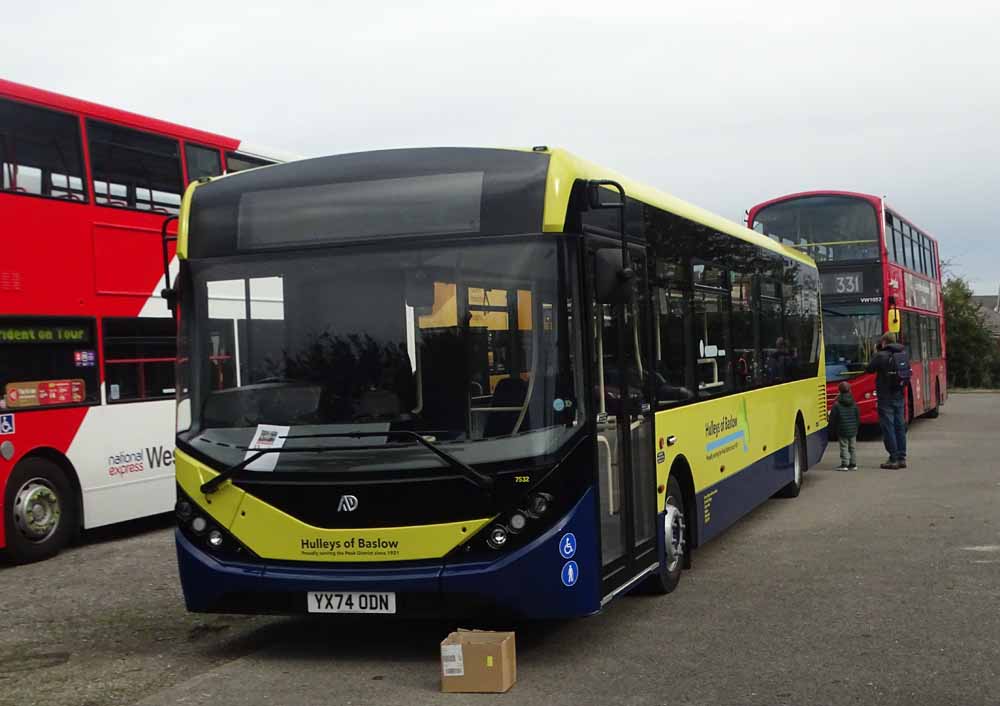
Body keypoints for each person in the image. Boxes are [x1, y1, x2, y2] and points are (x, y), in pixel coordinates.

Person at [866, 332, 908, 469]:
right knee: (899, 425)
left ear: (884, 342)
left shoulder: (880, 355)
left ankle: (893, 458)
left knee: (888, 426)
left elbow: (869, 369)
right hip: (899, 393)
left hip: (885, 396)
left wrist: (874, 352)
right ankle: (901, 457)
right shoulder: (902, 353)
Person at [828, 381, 860, 471]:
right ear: (850, 390)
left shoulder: (837, 404)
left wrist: (832, 429)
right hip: (853, 429)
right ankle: (853, 464)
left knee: (844, 446)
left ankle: (844, 464)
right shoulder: (854, 403)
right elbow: (857, 416)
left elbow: (833, 418)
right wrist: (856, 426)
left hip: (842, 429)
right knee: (852, 447)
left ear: (839, 391)